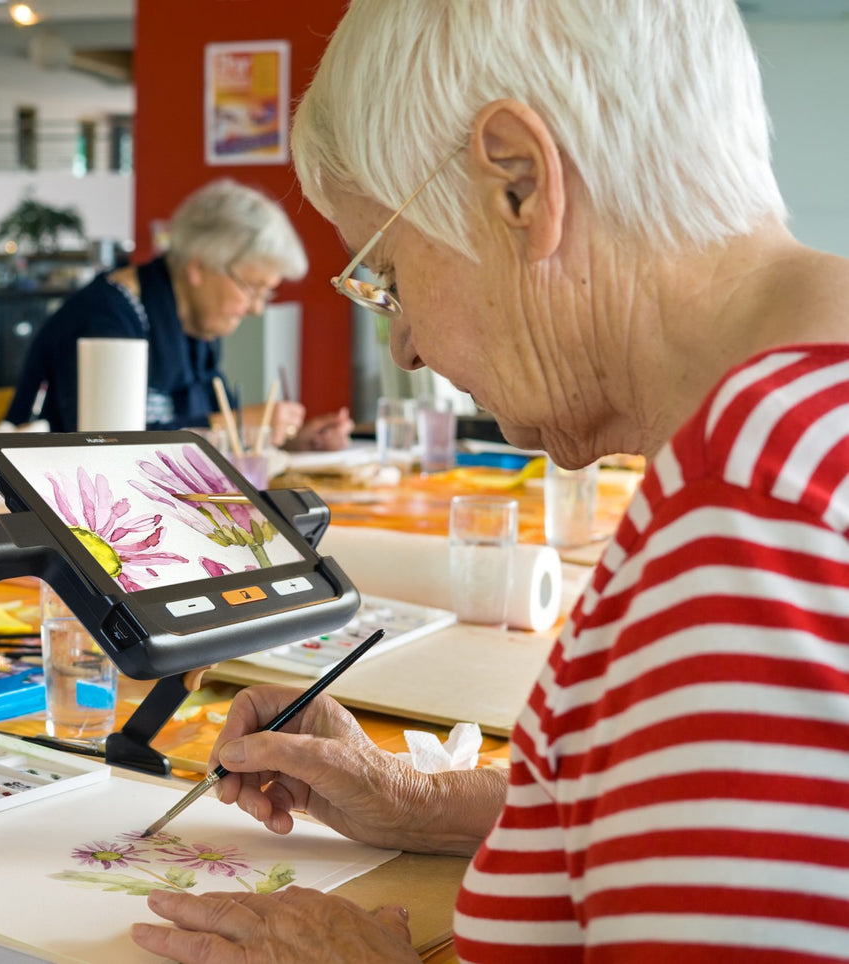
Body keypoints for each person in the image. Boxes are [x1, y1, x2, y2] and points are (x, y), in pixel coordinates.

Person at [132, 1, 849, 961]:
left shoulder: (753, 529)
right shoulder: (793, 438)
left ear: (518, 183)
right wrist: (420, 802)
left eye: (387, 273)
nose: (406, 344)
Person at [3, 178, 354, 451]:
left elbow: (218, 425)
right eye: (252, 287)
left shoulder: (196, 325)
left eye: (267, 292)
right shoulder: (105, 318)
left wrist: (286, 438)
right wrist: (234, 423)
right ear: (199, 267)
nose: (257, 307)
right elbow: (107, 445)